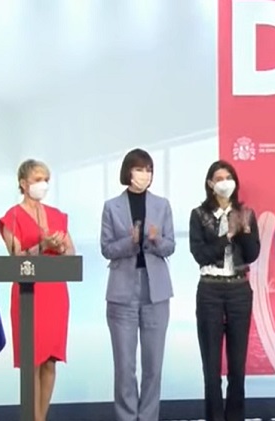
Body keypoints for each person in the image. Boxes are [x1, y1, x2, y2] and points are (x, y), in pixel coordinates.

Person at [100, 148, 175, 421]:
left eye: (149, 170)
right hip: (122, 291)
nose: (145, 174)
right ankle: (126, 417)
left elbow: (170, 246)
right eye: (140, 169)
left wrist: (155, 239)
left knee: (153, 365)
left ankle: (148, 417)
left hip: (156, 291)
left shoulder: (162, 205)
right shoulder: (112, 206)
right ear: (128, 172)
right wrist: (130, 241)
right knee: (125, 366)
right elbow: (107, 249)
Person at [0, 159, 75, 421]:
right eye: (38, 179)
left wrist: (60, 247)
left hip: (55, 293)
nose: (43, 185)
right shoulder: (12, 217)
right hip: (29, 295)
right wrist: (41, 246)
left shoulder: (57, 215)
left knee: (50, 361)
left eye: (46, 180)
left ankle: (40, 418)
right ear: (23, 183)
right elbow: (16, 258)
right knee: (32, 362)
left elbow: (71, 254)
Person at [189, 160, 260, 421]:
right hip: (210, 290)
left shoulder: (246, 213)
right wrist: (227, 236)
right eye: (219, 178)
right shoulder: (199, 215)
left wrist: (244, 232)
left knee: (237, 367)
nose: (225, 182)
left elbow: (252, 254)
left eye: (228, 177)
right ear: (210, 184)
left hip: (239, 289)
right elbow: (200, 255)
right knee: (211, 368)